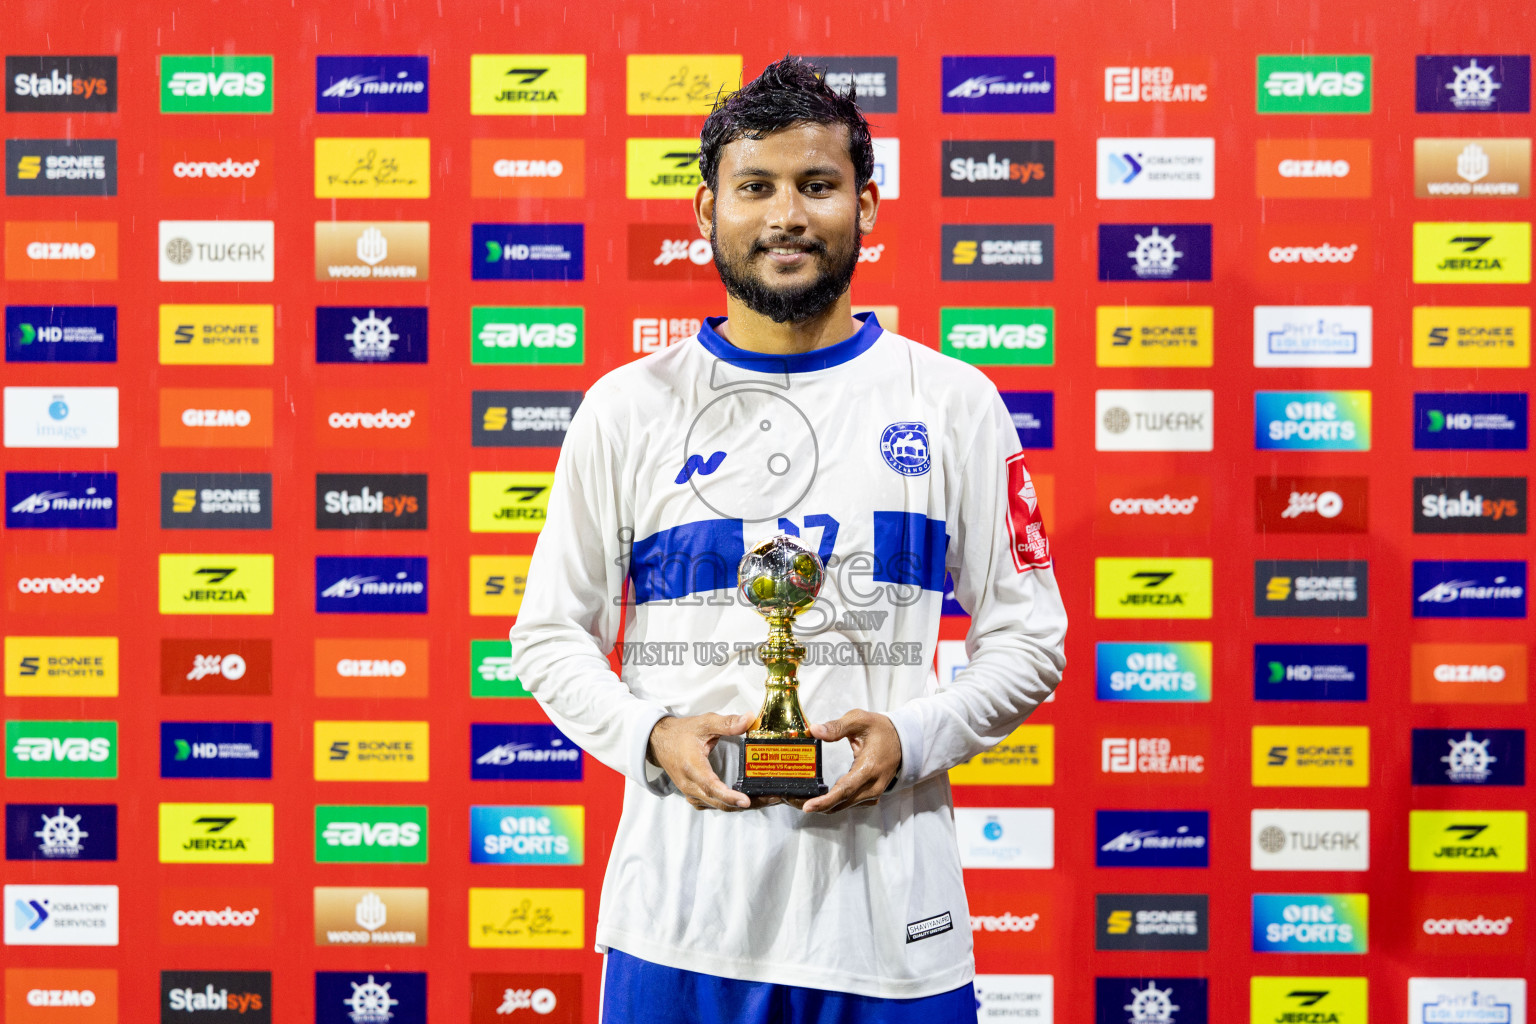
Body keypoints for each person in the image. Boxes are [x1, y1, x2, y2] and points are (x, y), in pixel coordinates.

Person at [508, 56, 1067, 1024]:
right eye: (754, 187)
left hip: (888, 922)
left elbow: (1030, 638)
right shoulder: (628, 407)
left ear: (868, 205)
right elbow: (549, 635)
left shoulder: (951, 401)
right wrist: (651, 733)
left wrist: (916, 733)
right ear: (704, 210)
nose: (787, 217)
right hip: (681, 915)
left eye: (817, 186)